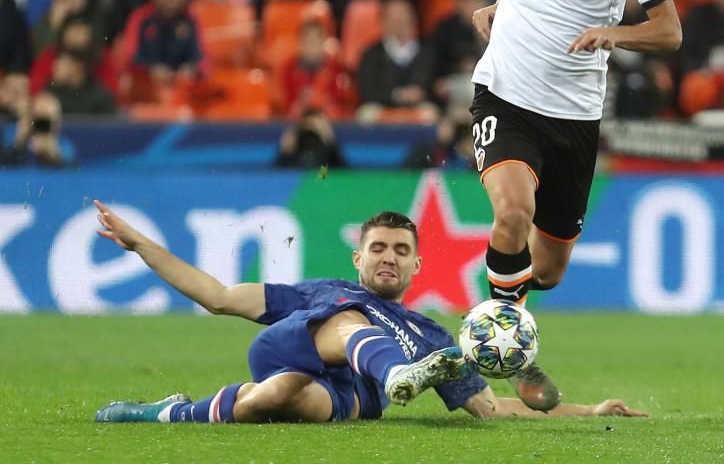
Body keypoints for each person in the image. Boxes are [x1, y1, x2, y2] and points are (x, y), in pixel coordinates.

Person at [93, 204, 648, 424]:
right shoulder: (324, 291)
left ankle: (164, 414)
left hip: (334, 395)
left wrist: (591, 409)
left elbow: (493, 406)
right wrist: (143, 246)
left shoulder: (430, 333)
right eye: (379, 248)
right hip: (295, 343)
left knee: (282, 396)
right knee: (348, 322)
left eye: (401, 251)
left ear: (416, 268)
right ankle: (394, 373)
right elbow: (215, 295)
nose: (389, 257)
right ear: (359, 258)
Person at [470, 0, 681, 303]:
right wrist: (499, 6)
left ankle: (506, 291)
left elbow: (670, 31)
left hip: (574, 116)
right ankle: (502, 341)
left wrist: (616, 34)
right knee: (512, 213)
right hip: (505, 94)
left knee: (545, 271)